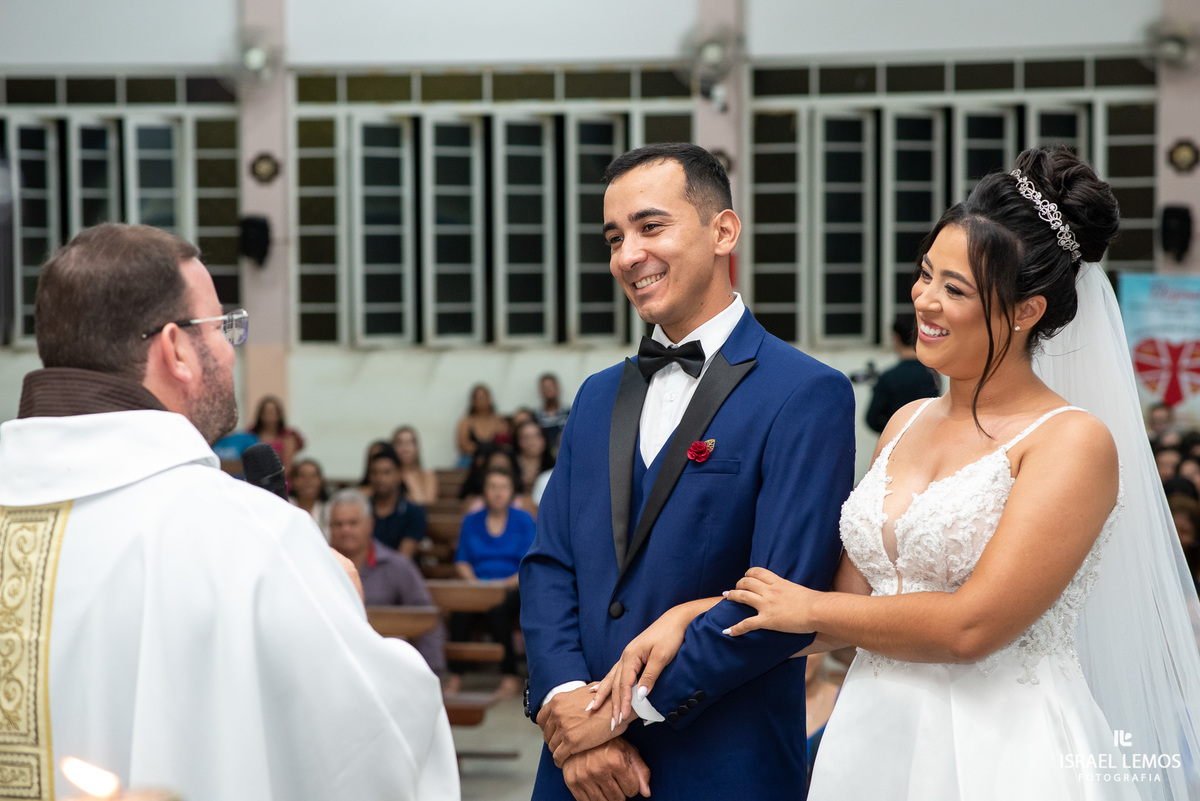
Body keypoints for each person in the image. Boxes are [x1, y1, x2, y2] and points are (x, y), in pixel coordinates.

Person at [588, 148, 1200, 801]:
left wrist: (810, 607)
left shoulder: (1072, 441)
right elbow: (844, 608)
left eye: (955, 289)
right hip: (875, 733)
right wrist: (692, 614)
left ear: (1026, 311)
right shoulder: (905, 420)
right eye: (926, 273)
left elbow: (973, 626)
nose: (925, 301)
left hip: (1004, 746)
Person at [0, 223, 457, 801]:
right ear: (176, 350)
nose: (229, 348)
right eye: (222, 328)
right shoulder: (252, 541)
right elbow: (376, 748)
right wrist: (342, 611)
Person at [519, 143, 855, 801]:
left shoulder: (806, 393)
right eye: (615, 237)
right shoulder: (594, 397)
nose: (627, 255)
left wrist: (609, 716)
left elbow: (780, 598)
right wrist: (563, 698)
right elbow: (550, 565)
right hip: (574, 777)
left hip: (722, 765)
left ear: (723, 231)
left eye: (650, 227)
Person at [328, 489, 447, 674]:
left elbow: (426, 618)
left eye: (353, 523)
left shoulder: (398, 566)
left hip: (388, 668)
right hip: (334, 665)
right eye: (338, 524)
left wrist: (431, 672)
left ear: (370, 524)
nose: (345, 530)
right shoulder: (319, 566)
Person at [447, 468, 536, 700]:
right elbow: (462, 560)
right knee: (460, 611)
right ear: (484, 492)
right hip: (477, 585)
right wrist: (475, 585)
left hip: (512, 586)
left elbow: (529, 563)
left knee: (497, 610)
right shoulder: (471, 521)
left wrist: (503, 585)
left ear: (512, 491)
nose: (498, 492)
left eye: (503, 487)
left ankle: (509, 675)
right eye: (492, 487)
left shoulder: (524, 520)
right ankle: (456, 674)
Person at [864, 313, 940, 433]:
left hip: (895, 442)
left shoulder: (889, 377)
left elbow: (872, 419)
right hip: (925, 439)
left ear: (896, 337)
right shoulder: (932, 374)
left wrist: (892, 431)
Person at [368, 446, 428, 558]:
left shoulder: (414, 512)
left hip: (397, 572)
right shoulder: (362, 509)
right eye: (374, 472)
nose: (380, 478)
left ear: (400, 475)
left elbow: (403, 558)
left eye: (387, 472)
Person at [455, 384, 509, 466]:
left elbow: (504, 443)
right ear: (473, 401)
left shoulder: (499, 420)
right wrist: (482, 449)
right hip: (471, 459)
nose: (482, 401)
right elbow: (463, 446)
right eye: (478, 398)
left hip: (494, 458)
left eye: (484, 397)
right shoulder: (466, 421)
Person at [249, 394, 304, 473]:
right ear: (260, 414)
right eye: (266, 412)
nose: (270, 416)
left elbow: (287, 468)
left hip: (281, 480)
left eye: (273, 412)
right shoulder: (250, 436)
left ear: (279, 415)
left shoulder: (288, 437)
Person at [392, 425, 438, 506]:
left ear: (417, 447)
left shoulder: (428, 475)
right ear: (393, 447)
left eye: (410, 442)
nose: (405, 447)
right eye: (400, 443)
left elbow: (429, 502)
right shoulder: (388, 475)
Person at [289, 457, 331, 541]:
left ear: (321, 481)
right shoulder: (286, 506)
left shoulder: (330, 510)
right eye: (302, 476)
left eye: (313, 476)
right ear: (293, 481)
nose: (308, 481)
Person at [535, 373, 570, 455]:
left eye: (551, 386)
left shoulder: (569, 413)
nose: (548, 390)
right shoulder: (536, 416)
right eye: (545, 387)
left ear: (558, 388)